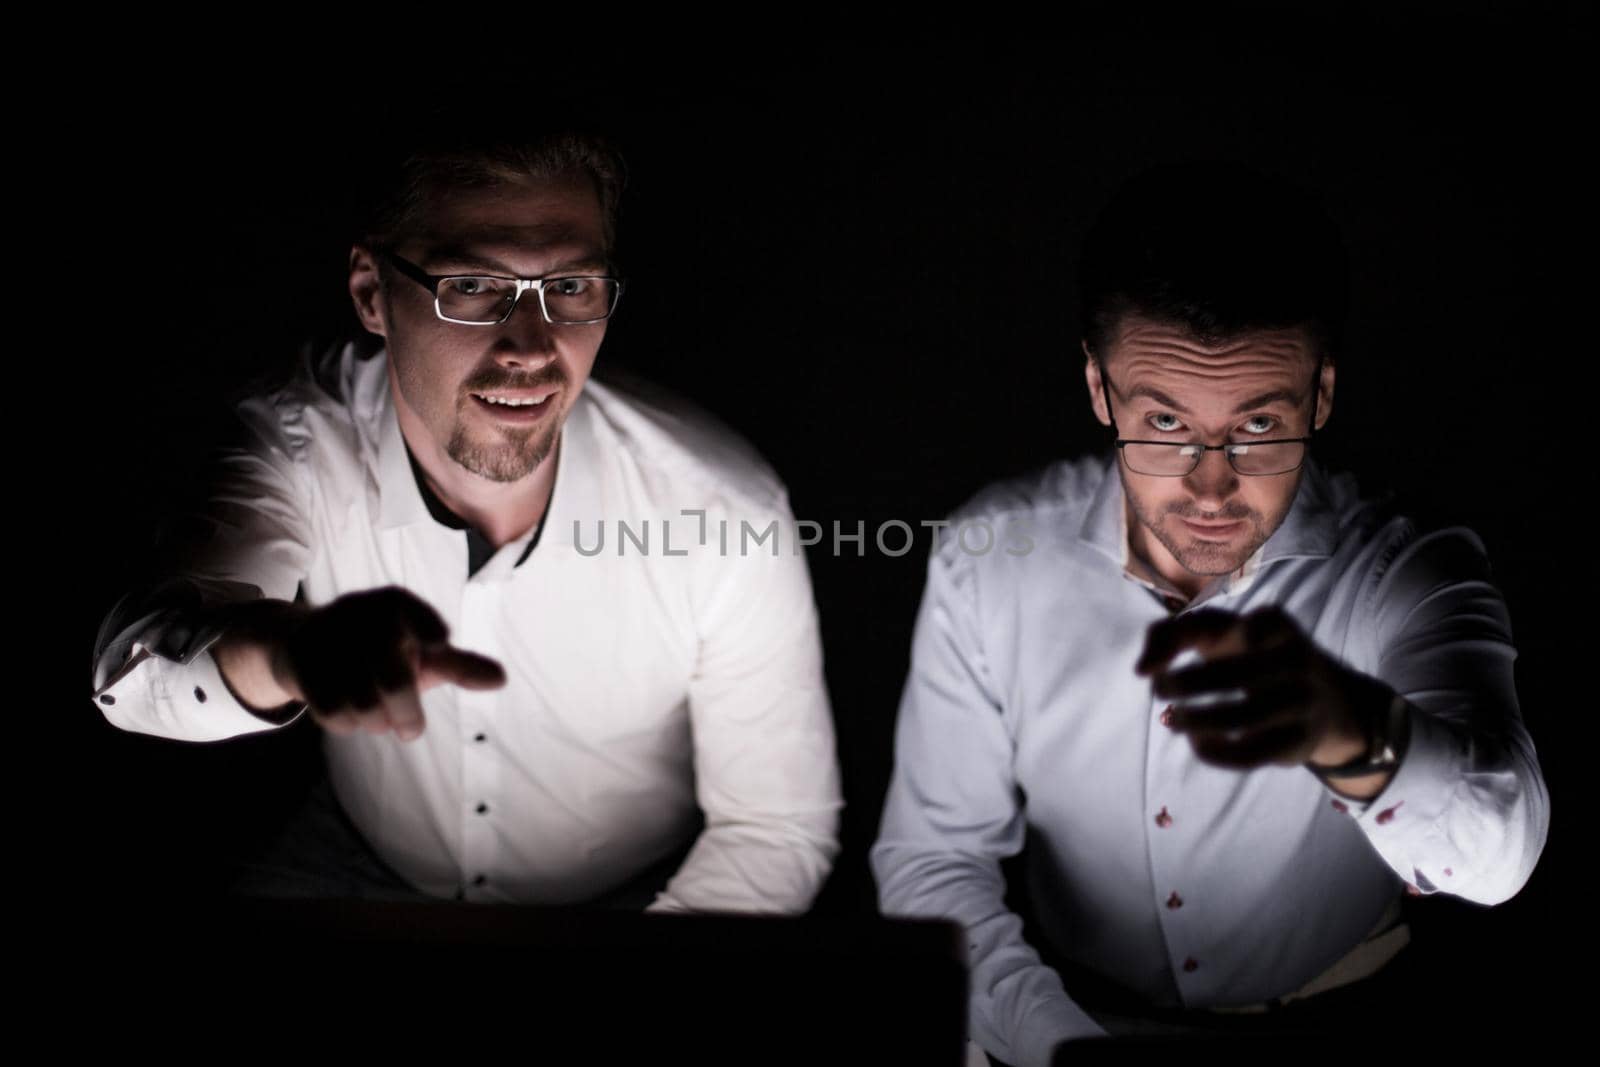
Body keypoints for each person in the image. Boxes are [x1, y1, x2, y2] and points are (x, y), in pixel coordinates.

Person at [870, 164, 1549, 1066]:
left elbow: (1501, 861)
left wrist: (1353, 732)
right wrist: (1061, 1044)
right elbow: (932, 863)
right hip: (1068, 1024)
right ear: (1099, 390)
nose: (1211, 483)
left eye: (1260, 425)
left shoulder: (1409, 567)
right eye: (1163, 420)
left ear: (1324, 395)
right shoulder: (990, 559)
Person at [89, 121, 842, 913]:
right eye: (473, 287)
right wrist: (287, 653)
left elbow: (775, 828)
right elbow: (133, 678)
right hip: (362, 863)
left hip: (639, 899)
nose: (530, 346)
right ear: (372, 293)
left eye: (570, 288)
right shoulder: (299, 438)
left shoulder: (720, 507)